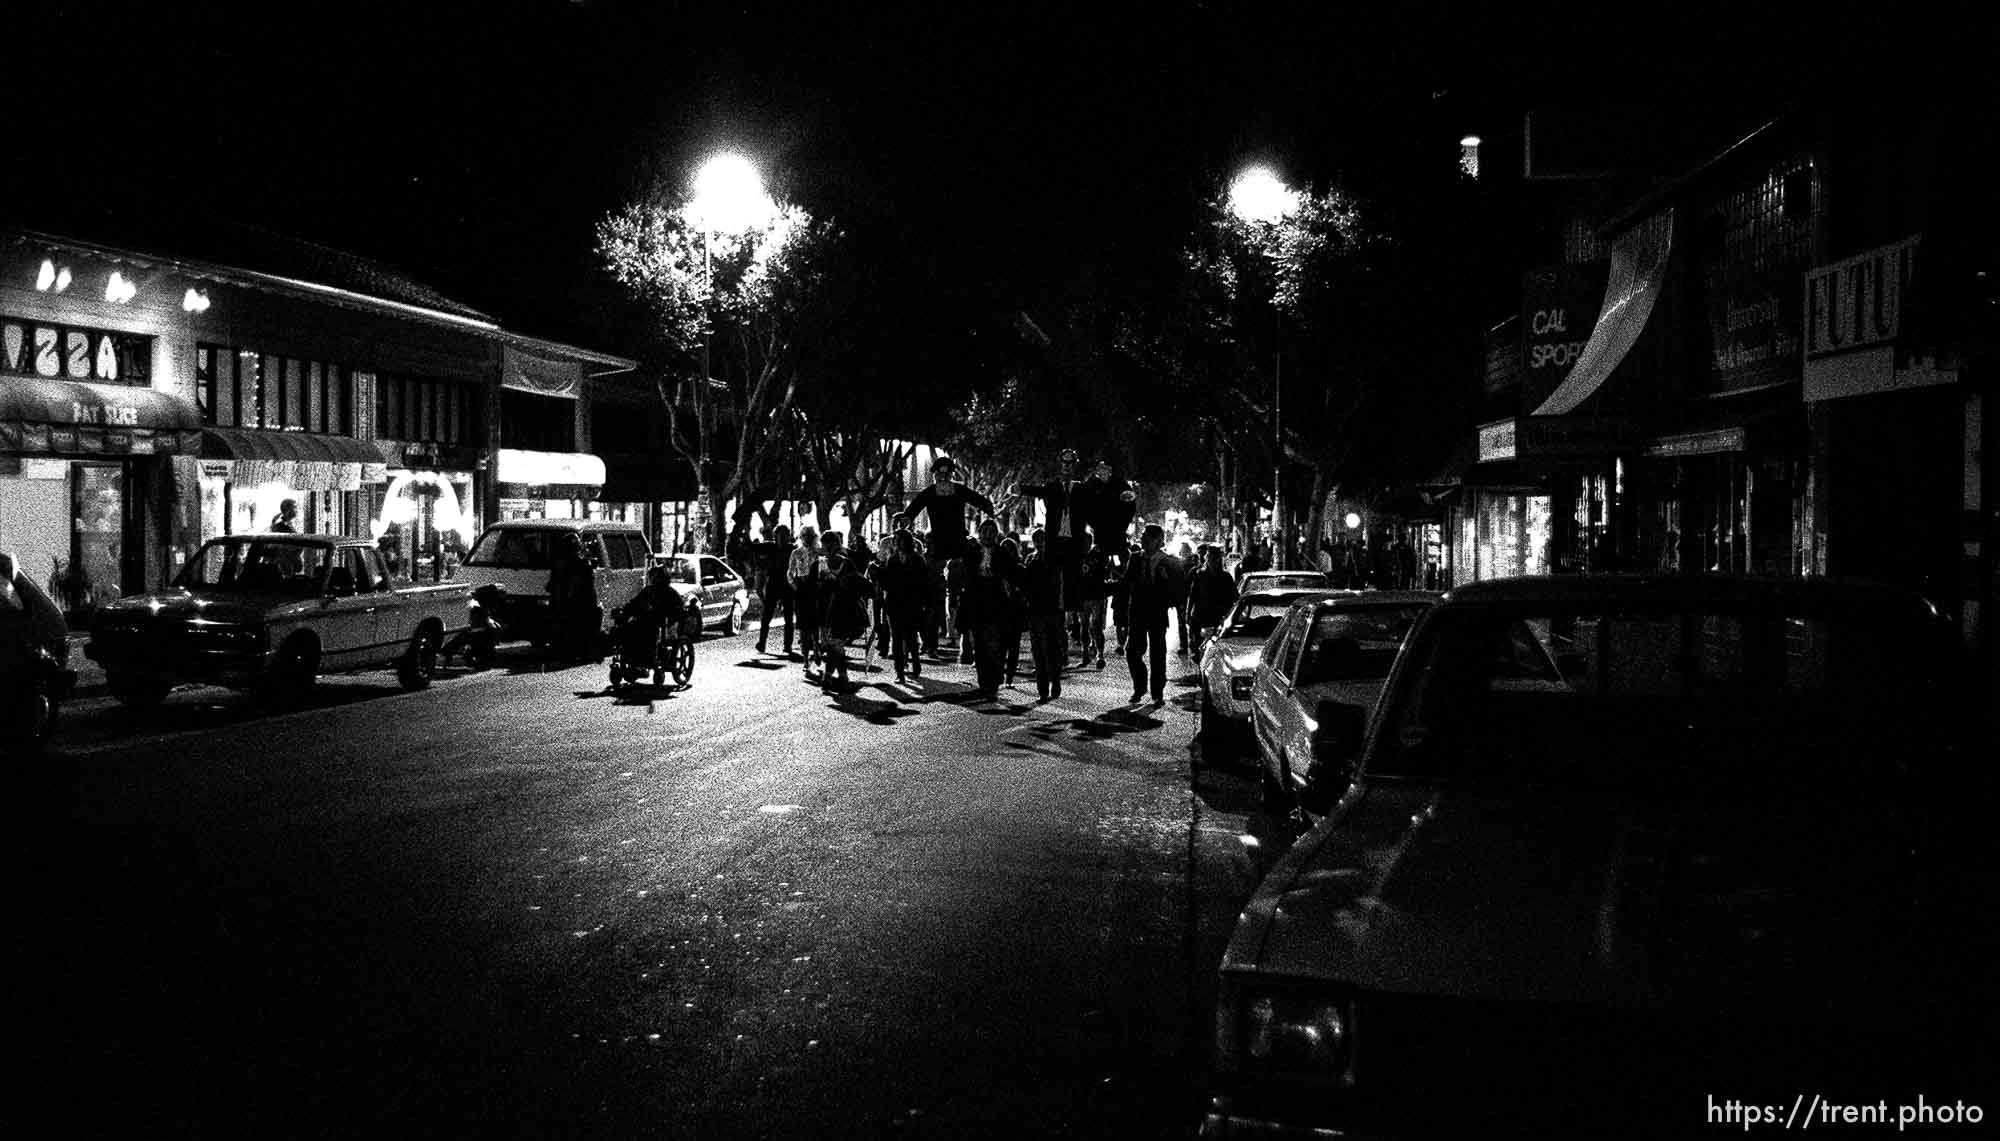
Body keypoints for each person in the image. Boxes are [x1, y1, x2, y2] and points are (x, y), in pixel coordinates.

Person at [896, 457, 994, 662]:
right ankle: (930, 645)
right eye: (939, 474)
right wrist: (904, 520)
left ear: (952, 475)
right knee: (933, 600)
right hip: (937, 546)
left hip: (959, 544)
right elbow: (913, 509)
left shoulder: (959, 490)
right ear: (934, 475)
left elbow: (980, 500)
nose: (942, 477)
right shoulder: (930, 492)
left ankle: (969, 645)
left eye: (946, 474)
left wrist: (988, 509)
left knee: (970, 593)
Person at [1119, 523, 1184, 705]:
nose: (1143, 539)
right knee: (1132, 651)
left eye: (1148, 536)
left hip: (1157, 614)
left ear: (1158, 541)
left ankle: (1157, 692)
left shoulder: (1168, 561)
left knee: (1157, 654)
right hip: (1137, 613)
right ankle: (1139, 687)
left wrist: (1165, 583)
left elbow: (1178, 591)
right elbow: (1126, 584)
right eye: (1143, 536)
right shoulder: (1135, 558)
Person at [959, 517, 1020, 699]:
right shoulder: (972, 552)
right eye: (984, 531)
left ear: (996, 534)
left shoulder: (1002, 553)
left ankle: (994, 679)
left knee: (995, 643)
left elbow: (1009, 574)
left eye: (991, 531)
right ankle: (984, 681)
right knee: (979, 644)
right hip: (977, 601)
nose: (987, 535)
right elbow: (966, 575)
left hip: (995, 601)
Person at [815, 532, 872, 692]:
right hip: (827, 609)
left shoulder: (846, 563)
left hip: (843, 609)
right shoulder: (820, 564)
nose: (828, 547)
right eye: (825, 543)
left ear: (837, 544)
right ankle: (840, 677)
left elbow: (857, 583)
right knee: (835, 646)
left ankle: (831, 678)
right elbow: (815, 588)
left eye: (831, 543)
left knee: (836, 644)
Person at [876, 530, 931, 683]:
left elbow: (924, 583)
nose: (897, 543)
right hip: (894, 603)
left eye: (900, 540)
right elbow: (886, 582)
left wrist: (925, 603)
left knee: (911, 637)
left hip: (912, 603)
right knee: (897, 638)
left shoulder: (917, 560)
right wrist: (879, 571)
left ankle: (915, 662)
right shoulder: (892, 560)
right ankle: (899, 672)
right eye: (896, 540)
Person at [1020, 528, 1069, 701]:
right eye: (1037, 540)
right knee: (1038, 650)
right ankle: (1042, 688)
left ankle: (1055, 680)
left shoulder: (1056, 559)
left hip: (1053, 610)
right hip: (1035, 610)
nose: (1039, 543)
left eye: (1042, 539)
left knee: (1053, 648)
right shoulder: (1030, 559)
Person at [546, 533, 601, 662]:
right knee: (582, 627)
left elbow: (551, 584)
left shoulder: (559, 562)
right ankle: (581, 652)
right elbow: (587, 583)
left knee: (567, 628)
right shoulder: (580, 562)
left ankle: (568, 652)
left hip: (563, 601)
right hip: (578, 601)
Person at [1186, 546, 1238, 658]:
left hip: (1218, 617)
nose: (1213, 561)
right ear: (1207, 559)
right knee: (1198, 648)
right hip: (1201, 616)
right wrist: (1188, 613)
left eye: (1215, 558)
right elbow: (1192, 596)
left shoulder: (1226, 577)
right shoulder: (1199, 574)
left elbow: (1234, 598)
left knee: (1217, 648)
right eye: (1210, 558)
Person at [754, 524, 796, 656]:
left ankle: (787, 645)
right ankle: (762, 643)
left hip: (788, 585)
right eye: (780, 535)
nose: (782, 538)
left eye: (785, 535)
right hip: (773, 584)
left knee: (789, 617)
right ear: (775, 536)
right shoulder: (769, 546)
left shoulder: (792, 549)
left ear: (788, 536)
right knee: (766, 616)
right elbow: (753, 547)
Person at [788, 526, 822, 675]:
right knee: (803, 628)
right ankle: (806, 661)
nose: (807, 538)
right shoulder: (796, 553)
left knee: (815, 627)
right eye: (804, 536)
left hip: (815, 591)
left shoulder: (819, 553)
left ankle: (817, 648)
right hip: (802, 591)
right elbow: (790, 573)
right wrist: (796, 586)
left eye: (810, 536)